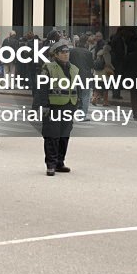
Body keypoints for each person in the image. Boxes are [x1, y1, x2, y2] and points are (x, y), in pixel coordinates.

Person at [34, 37, 79, 175]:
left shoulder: (74, 69)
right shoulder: (48, 68)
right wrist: (44, 105)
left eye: (67, 51)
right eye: (63, 52)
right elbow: (42, 88)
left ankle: (60, 162)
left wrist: (78, 104)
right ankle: (51, 164)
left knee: (64, 136)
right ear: (56, 54)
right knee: (52, 136)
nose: (66, 54)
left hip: (69, 106)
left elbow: (78, 87)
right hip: (53, 107)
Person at [69, 37, 95, 119]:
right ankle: (82, 116)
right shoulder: (88, 53)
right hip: (85, 76)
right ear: (86, 43)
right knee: (85, 96)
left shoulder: (72, 51)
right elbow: (91, 65)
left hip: (74, 75)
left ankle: (70, 113)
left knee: (73, 95)